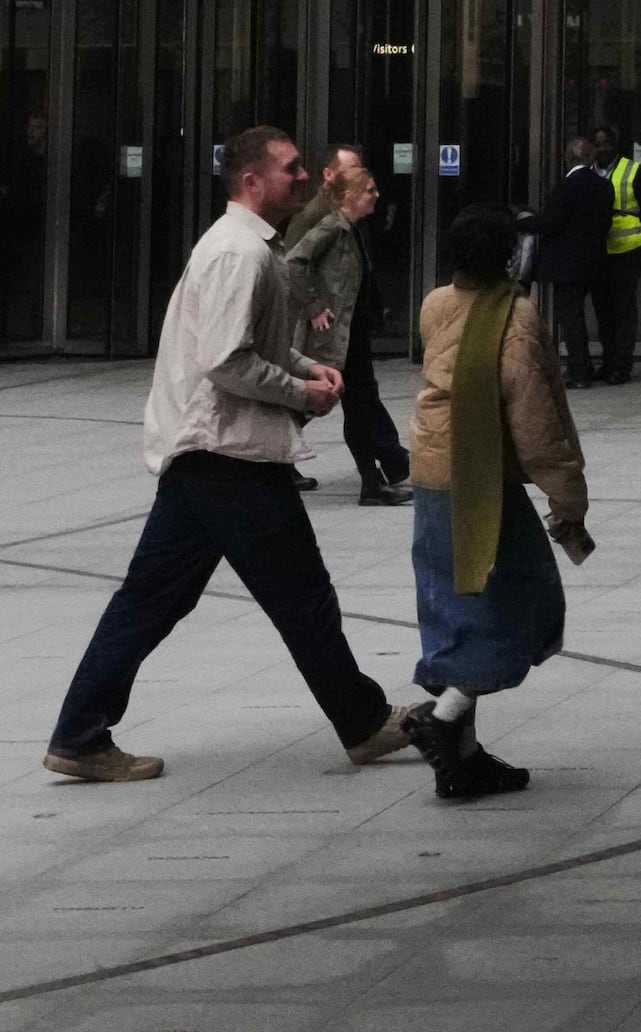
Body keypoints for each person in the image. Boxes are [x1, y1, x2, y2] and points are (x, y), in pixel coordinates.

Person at [41, 127, 420, 784]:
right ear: (251, 180)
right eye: (292, 169)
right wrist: (302, 389)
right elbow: (226, 360)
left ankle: (78, 735)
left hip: (210, 460)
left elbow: (254, 343)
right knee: (303, 598)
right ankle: (362, 722)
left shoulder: (250, 249)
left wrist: (306, 369)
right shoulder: (239, 255)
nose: (304, 179)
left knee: (152, 602)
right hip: (229, 459)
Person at [403, 202, 599, 799]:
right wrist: (569, 495)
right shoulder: (515, 318)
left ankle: (462, 762)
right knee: (517, 605)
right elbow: (535, 421)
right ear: (510, 257)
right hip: (479, 481)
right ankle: (439, 722)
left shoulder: (436, 302)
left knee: (460, 608)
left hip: (435, 473)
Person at [283, 145, 410, 506]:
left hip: (350, 330)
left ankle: (376, 479)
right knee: (330, 402)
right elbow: (293, 263)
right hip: (334, 334)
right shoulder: (326, 223)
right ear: (348, 193)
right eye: (369, 190)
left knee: (357, 404)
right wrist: (314, 306)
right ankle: (381, 474)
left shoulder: (350, 225)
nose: (376, 196)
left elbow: (357, 275)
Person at [529, 134, 610, 388]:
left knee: (572, 318)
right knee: (600, 314)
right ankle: (599, 364)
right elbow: (604, 223)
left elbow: (550, 222)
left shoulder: (566, 186)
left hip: (567, 264)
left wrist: (521, 221)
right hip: (595, 261)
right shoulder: (604, 186)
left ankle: (578, 370)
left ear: (569, 157)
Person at [589, 125, 641, 386]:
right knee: (603, 310)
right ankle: (608, 360)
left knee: (623, 309)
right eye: (598, 144)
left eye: (608, 144)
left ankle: (622, 366)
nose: (603, 149)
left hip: (627, 250)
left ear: (616, 146)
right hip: (599, 251)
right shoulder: (588, 173)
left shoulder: (634, 170)